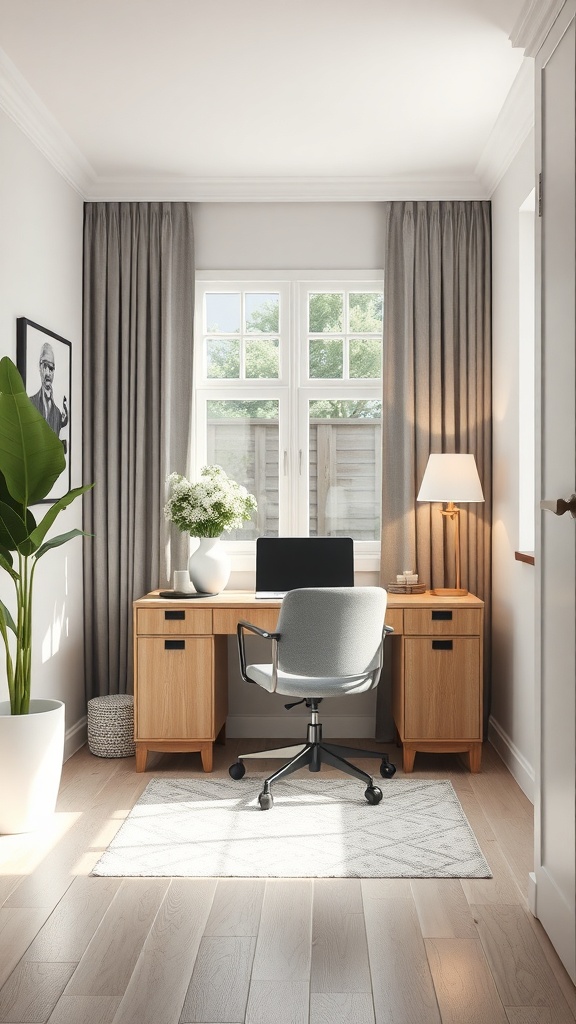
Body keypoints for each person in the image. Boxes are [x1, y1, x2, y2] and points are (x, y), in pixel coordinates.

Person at [29, 342, 68, 445]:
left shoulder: (57, 414)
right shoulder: (29, 404)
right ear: (39, 367)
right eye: (44, 366)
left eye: (51, 368)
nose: (47, 373)